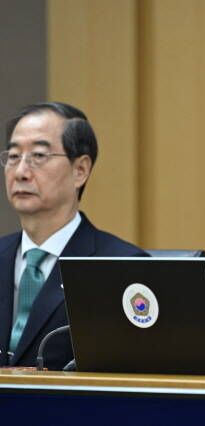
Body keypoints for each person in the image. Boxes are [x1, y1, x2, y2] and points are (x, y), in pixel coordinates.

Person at [0, 102, 147, 370]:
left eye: (39, 155)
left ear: (80, 170)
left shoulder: (123, 267)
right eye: (13, 156)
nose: (20, 172)